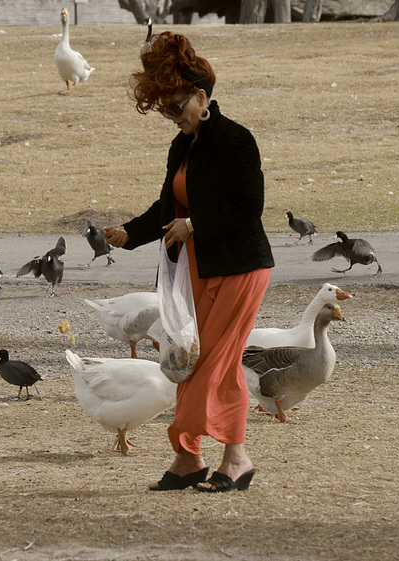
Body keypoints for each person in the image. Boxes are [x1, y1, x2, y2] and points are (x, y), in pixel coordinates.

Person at [105, 31, 274, 493]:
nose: (171, 116)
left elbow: (247, 208)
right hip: (193, 269)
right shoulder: (182, 146)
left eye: (176, 107)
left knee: (212, 363)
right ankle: (189, 461)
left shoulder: (236, 140)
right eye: (164, 110)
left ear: (201, 97)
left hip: (240, 266)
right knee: (186, 358)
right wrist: (127, 236)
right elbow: (167, 209)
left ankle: (232, 459)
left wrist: (196, 224)